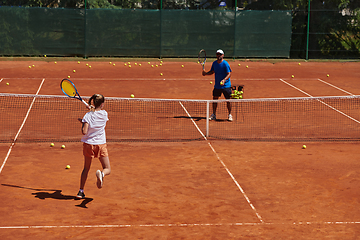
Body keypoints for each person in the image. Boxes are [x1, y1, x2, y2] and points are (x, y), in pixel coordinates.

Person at [76, 94, 111, 199]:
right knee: (107, 168)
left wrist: (83, 122)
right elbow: (97, 114)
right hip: (101, 145)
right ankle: (102, 174)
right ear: (102, 104)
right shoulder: (105, 114)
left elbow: (84, 131)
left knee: (86, 168)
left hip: (88, 145)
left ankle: (80, 191)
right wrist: (92, 111)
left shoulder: (87, 116)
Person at [202, 49, 233, 121]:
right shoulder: (214, 63)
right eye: (217, 54)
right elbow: (212, 71)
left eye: (220, 54)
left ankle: (229, 115)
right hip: (217, 86)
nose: (218, 55)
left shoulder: (225, 64)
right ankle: (214, 114)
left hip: (226, 86)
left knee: (228, 101)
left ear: (223, 55)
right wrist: (206, 73)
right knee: (215, 100)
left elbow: (229, 73)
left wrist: (224, 80)